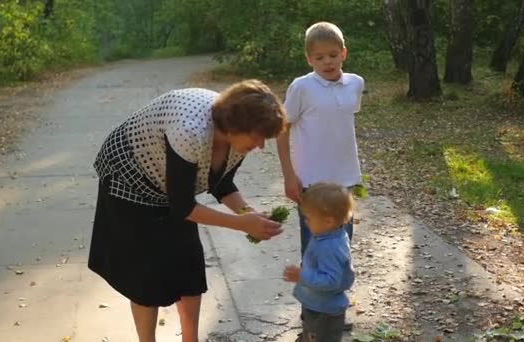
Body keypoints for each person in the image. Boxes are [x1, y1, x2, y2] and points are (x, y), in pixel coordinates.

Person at [88, 79, 287, 342]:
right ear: (235, 124)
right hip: (129, 176)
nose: (261, 145)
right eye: (258, 137)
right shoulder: (190, 130)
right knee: (146, 278)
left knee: (189, 269)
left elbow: (222, 183)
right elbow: (183, 206)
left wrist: (248, 214)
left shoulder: (239, 140)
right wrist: (242, 224)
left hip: (171, 186)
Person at [276, 21, 364, 329]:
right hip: (311, 185)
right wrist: (289, 175)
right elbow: (282, 129)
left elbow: (341, 124)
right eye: (319, 57)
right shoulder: (302, 87)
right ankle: (313, 317)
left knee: (340, 251)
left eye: (332, 55)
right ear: (309, 59)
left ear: (343, 53)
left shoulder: (355, 83)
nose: (327, 62)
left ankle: (333, 314)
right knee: (314, 252)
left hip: (345, 184)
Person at [283, 182, 356, 342]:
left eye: (308, 218)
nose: (306, 222)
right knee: (310, 332)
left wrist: (302, 275)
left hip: (324, 311)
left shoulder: (330, 247)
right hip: (317, 304)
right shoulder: (331, 235)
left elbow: (331, 281)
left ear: (328, 221)